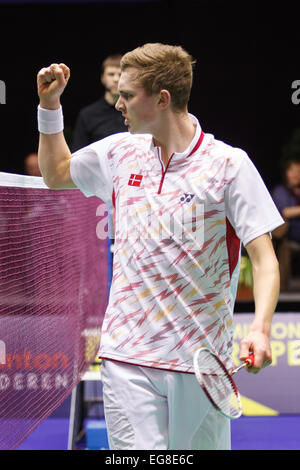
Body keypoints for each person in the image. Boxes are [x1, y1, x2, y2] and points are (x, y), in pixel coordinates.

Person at [36, 43, 283, 450]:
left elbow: (265, 257)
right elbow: (56, 172)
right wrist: (49, 107)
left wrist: (260, 327)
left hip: (201, 363)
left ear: (162, 99)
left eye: (129, 95)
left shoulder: (229, 165)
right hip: (127, 355)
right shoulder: (119, 152)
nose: (118, 103)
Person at [71, 54, 127, 152]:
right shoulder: (88, 115)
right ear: (103, 78)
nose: (116, 79)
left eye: (120, 74)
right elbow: (78, 154)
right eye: (111, 74)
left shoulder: (136, 111)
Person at [272, 158, 300, 290]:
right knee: (283, 244)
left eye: (299, 171)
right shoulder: (281, 191)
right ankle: (281, 289)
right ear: (287, 173)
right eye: (293, 171)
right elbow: (286, 212)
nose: (296, 174)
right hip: (288, 235)